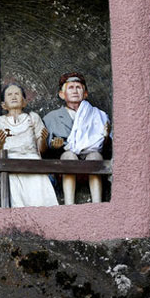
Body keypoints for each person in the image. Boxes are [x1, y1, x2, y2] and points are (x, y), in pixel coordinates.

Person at [43, 72, 111, 205]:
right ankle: (69, 203)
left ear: (85, 93)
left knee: (95, 156)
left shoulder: (97, 115)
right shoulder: (52, 117)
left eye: (78, 87)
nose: (75, 91)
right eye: (70, 87)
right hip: (66, 165)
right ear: (62, 94)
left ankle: (97, 203)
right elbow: (44, 147)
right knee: (68, 156)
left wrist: (106, 137)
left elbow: (107, 147)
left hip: (90, 161)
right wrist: (54, 145)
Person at [0, 84, 58, 207]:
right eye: (9, 94)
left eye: (17, 94)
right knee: (18, 198)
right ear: (3, 104)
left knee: (42, 201)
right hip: (10, 162)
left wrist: (42, 139)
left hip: (33, 159)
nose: (14, 97)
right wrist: (0, 143)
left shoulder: (33, 118)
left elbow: (42, 151)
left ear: (24, 102)